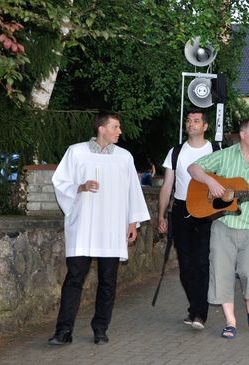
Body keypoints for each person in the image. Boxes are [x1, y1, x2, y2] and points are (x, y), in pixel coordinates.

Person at [48, 112, 150, 346]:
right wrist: (80, 186)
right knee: (74, 278)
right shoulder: (76, 152)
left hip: (112, 228)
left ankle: (100, 327)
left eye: (119, 127)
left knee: (108, 280)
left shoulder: (124, 157)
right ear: (101, 129)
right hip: (83, 226)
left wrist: (132, 222)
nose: (119, 131)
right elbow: (60, 181)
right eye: (115, 127)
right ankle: (63, 331)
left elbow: (133, 190)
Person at [187, 118, 249, 339]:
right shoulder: (225, 155)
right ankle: (230, 321)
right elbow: (193, 168)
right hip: (224, 224)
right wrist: (210, 182)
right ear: (243, 134)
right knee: (221, 272)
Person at [157, 109, 218, 330]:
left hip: (207, 211)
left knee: (201, 262)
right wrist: (161, 215)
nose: (191, 124)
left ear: (205, 126)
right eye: (188, 121)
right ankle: (195, 307)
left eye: (196, 121)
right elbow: (166, 186)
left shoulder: (216, 150)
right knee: (185, 266)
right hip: (181, 209)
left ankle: (200, 313)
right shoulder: (176, 152)